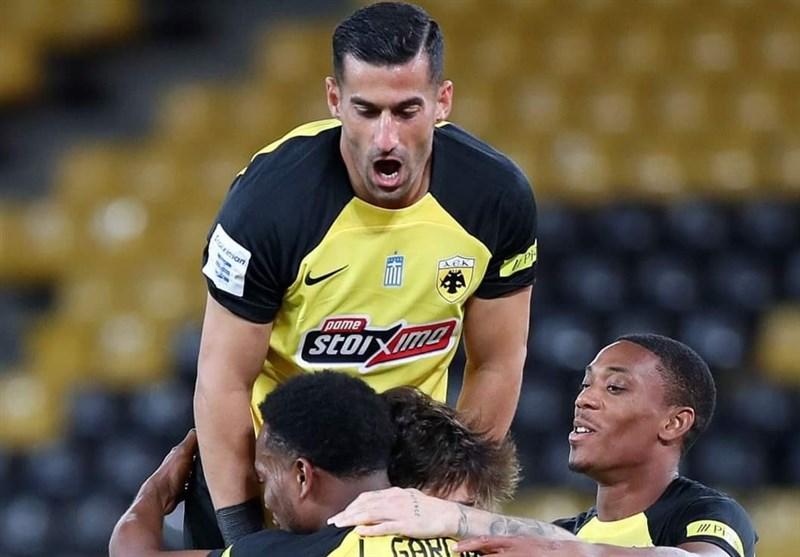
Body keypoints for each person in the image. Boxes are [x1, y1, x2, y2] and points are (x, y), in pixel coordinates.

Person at [192, 0, 538, 546]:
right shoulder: (268, 205)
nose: (385, 138)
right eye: (366, 110)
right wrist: (245, 536)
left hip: (405, 478)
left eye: (406, 111)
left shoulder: (495, 198)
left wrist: (449, 502)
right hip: (285, 482)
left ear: (442, 102)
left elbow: (498, 361)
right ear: (334, 100)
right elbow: (223, 378)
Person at [331, 334, 758, 557]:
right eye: (586, 384)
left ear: (674, 423)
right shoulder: (564, 536)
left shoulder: (706, 513)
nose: (584, 399)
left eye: (614, 388)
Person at [109, 371, 521, 557]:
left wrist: (159, 486)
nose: (264, 496)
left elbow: (132, 554)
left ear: (303, 475)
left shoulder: (293, 553)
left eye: (264, 477)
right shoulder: (488, 546)